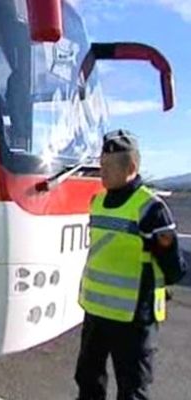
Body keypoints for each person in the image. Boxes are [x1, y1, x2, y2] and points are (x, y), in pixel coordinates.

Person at [75, 129, 187, 400]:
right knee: (88, 379)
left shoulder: (150, 208)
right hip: (96, 313)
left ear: (132, 167)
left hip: (134, 317)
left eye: (108, 167)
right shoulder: (98, 201)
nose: (102, 172)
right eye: (101, 165)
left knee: (132, 389)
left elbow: (174, 267)